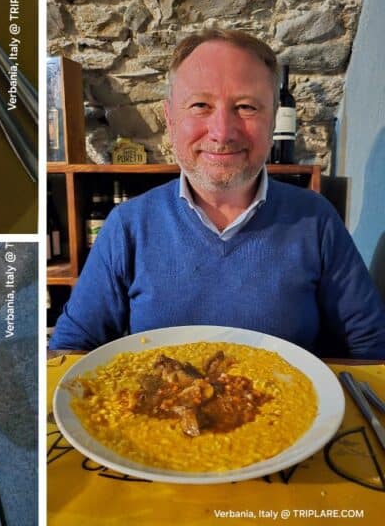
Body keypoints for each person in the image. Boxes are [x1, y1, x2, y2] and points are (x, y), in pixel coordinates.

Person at [49, 28, 385, 359]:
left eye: (246, 107)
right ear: (169, 118)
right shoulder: (128, 226)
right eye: (199, 105)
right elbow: (70, 349)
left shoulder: (316, 219)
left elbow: (372, 349)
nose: (222, 132)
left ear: (273, 121)